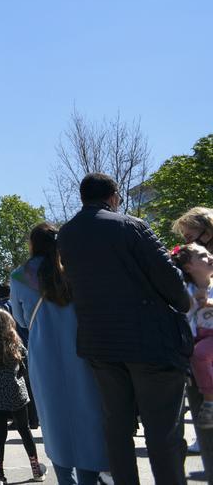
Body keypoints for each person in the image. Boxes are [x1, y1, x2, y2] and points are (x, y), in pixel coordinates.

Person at [59, 173, 191, 485]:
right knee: (163, 432)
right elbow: (169, 280)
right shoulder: (131, 226)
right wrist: (183, 302)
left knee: (117, 428)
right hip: (149, 342)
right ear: (114, 196)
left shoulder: (66, 234)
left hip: (100, 345)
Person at [11, 222, 108, 484]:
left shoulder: (20, 276)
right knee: (89, 416)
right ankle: (90, 477)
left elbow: (20, 319)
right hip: (82, 350)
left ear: (32, 244)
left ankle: (66, 479)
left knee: (54, 423)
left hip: (44, 356)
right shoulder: (77, 270)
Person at [0, 308, 47, 483]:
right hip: (14, 392)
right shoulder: (14, 341)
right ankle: (36, 469)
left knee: (0, 432)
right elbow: (26, 364)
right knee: (24, 429)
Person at [173, 208, 213, 470]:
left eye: (191, 238)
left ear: (208, 232)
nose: (187, 245)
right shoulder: (187, 279)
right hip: (200, 369)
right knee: (209, 444)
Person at [171, 244, 213, 427]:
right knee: (196, 355)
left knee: (200, 354)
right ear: (188, 267)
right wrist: (193, 300)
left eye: (209, 253)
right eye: (202, 256)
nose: (210, 256)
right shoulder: (187, 289)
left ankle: (210, 400)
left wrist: (209, 302)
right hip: (198, 337)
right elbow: (185, 312)